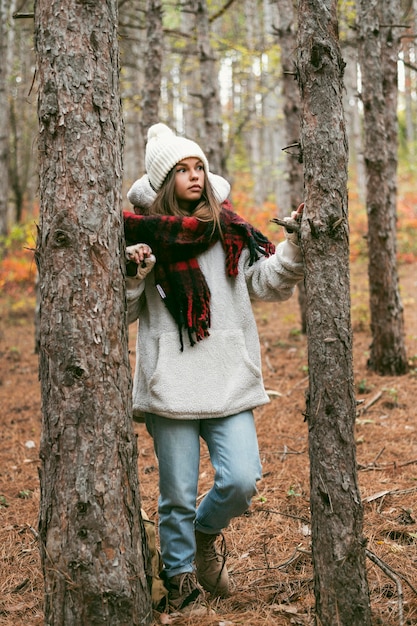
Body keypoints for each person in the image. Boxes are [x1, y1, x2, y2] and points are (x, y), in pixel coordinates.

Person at [123, 123, 304, 615]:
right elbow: (122, 314)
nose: (194, 176)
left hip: (227, 377)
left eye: (198, 166)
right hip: (171, 383)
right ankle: (180, 580)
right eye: (181, 170)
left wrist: (295, 248)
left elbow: (265, 284)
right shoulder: (143, 238)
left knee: (242, 479)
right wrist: (135, 275)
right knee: (177, 495)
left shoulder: (230, 230)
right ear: (165, 182)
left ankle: (204, 539)